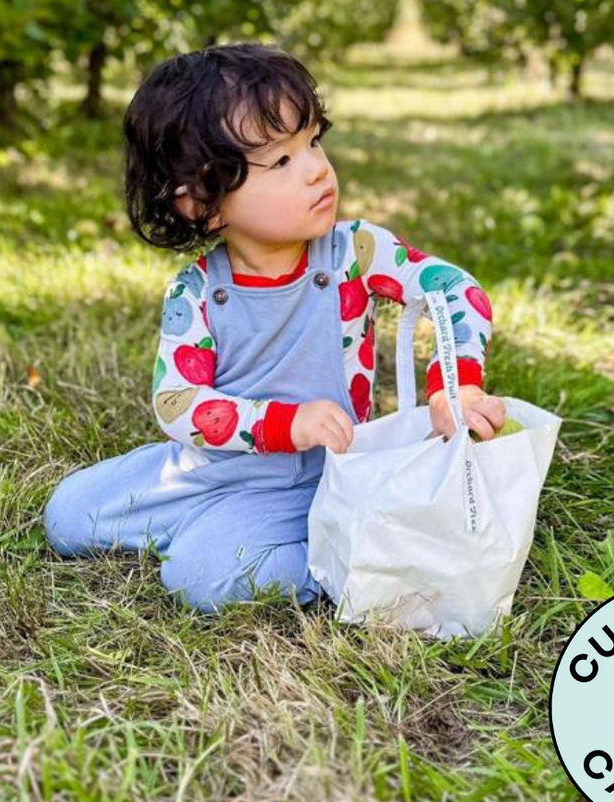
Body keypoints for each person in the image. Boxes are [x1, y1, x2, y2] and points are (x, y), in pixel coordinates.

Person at [43, 41, 507, 614]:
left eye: (312, 141)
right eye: (282, 161)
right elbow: (177, 403)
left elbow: (454, 289)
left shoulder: (353, 254)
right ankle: (205, 521)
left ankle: (337, 555)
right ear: (204, 203)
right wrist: (285, 423)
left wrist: (453, 383)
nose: (316, 169)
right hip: (209, 469)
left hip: (316, 479)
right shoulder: (196, 292)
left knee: (202, 579)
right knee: (66, 514)